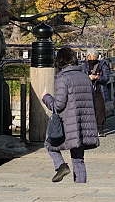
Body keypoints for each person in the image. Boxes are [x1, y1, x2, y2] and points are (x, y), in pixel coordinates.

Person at [42, 47, 100, 183]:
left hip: (68, 123)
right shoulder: (85, 77)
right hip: (84, 123)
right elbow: (92, 101)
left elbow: (58, 105)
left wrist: (46, 97)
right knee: (78, 159)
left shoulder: (63, 78)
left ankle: (61, 165)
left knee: (48, 142)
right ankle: (80, 188)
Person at [86, 49, 111, 136]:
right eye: (89, 57)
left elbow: (106, 78)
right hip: (88, 90)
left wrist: (97, 78)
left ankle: (100, 128)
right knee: (89, 110)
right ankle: (91, 128)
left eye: (93, 57)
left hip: (99, 90)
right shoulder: (84, 66)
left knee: (100, 109)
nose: (91, 58)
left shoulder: (102, 65)